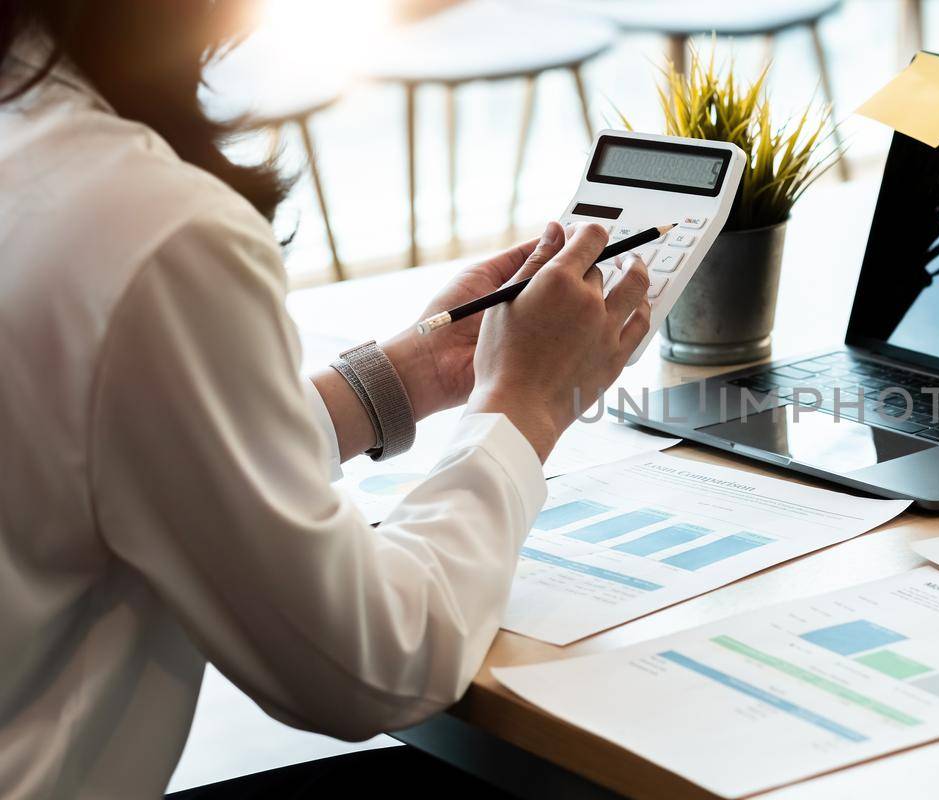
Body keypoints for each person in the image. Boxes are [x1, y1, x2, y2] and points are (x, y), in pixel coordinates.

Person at [0, 1, 652, 796]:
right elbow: (377, 663)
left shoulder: (33, 137)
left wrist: (403, 376)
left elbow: (115, 444)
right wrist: (524, 407)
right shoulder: (145, 225)